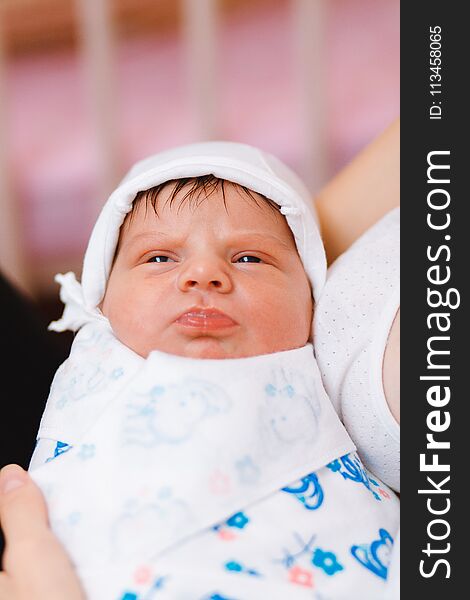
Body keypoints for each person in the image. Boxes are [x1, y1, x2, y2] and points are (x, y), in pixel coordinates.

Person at [0, 121, 400, 599]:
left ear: (313, 300)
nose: (204, 275)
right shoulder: (98, 366)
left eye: (250, 259)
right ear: (101, 303)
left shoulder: (330, 376)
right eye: (159, 258)